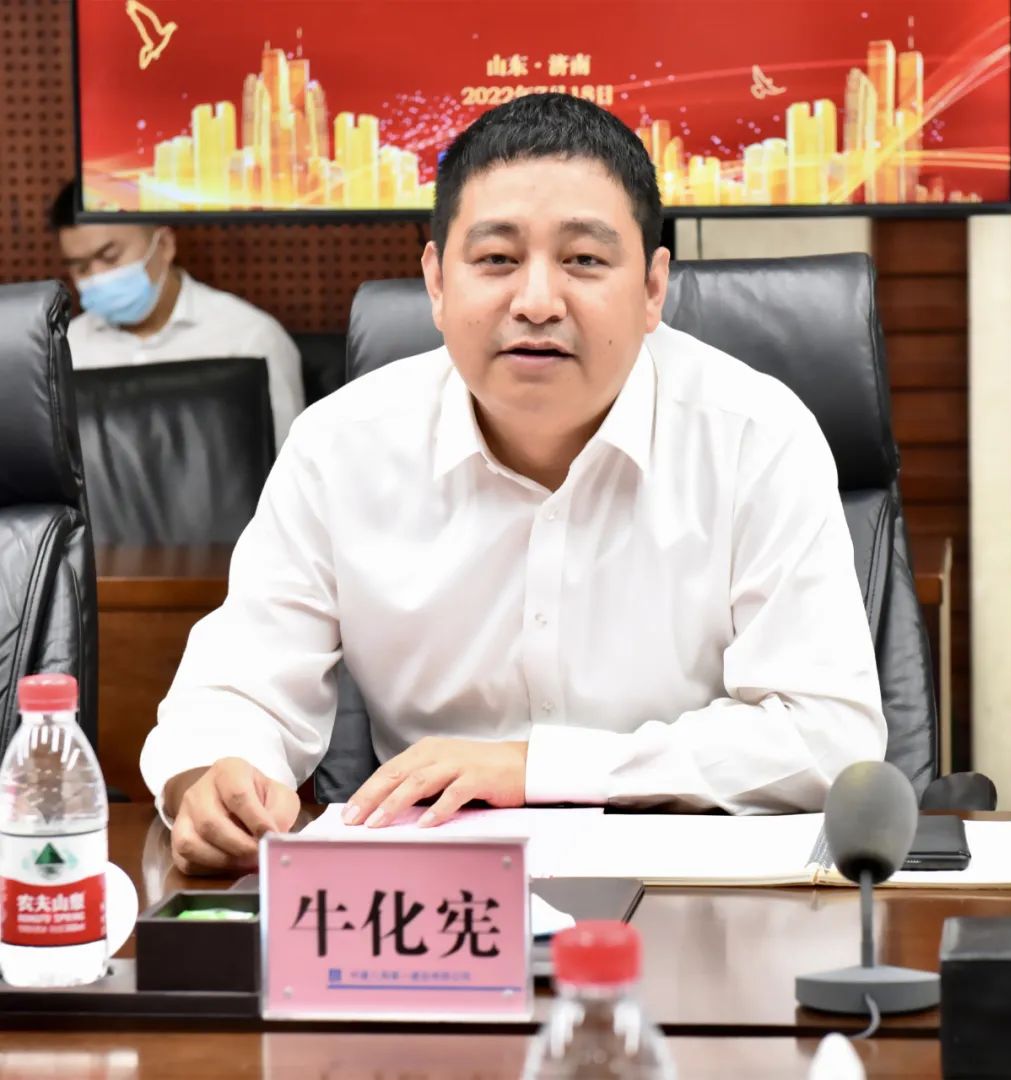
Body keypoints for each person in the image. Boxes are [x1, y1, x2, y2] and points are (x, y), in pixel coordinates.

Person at [140, 93, 887, 875]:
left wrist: (536, 770)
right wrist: (212, 777)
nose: (535, 303)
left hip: (692, 892)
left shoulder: (755, 438)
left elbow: (827, 737)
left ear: (653, 289)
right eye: (496, 259)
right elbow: (241, 686)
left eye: (584, 260)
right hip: (432, 898)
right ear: (436, 282)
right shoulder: (340, 448)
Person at [50, 181, 304, 451]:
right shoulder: (63, 351)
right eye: (81, 268)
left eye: (111, 257)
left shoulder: (249, 338)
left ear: (164, 245)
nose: (98, 277)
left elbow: (291, 464)